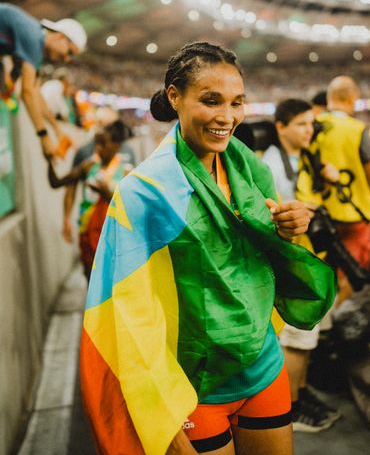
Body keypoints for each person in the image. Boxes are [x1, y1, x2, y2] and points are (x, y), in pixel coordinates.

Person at [80, 42, 336, 455]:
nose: (227, 117)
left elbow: (260, 254)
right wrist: (158, 414)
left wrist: (288, 228)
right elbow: (128, 315)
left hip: (262, 360)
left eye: (237, 103)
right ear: (174, 97)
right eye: (211, 101)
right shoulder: (144, 193)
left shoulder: (248, 167)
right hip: (193, 385)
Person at [263, 99, 340, 432]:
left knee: (308, 335)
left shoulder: (303, 158)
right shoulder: (272, 165)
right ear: (280, 127)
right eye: (301, 124)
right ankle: (291, 408)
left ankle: (301, 392)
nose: (309, 129)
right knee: (296, 339)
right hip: (292, 264)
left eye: (311, 123)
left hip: (309, 260)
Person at [308, 75, 370, 303]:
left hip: (319, 214)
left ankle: (320, 324)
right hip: (355, 215)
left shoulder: (311, 126)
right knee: (352, 272)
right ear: (352, 98)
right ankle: (334, 325)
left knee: (323, 271)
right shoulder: (357, 128)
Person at [48, 120, 132, 280]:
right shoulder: (89, 166)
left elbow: (131, 210)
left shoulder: (126, 172)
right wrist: (49, 160)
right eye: (97, 144)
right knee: (90, 277)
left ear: (116, 145)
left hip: (114, 236)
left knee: (113, 280)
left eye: (103, 144)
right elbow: (56, 182)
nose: (97, 149)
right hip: (87, 233)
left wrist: (105, 192)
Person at [0, 3, 87, 157]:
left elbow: (36, 93)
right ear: (61, 37)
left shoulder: (36, 41)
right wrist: (44, 137)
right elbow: (27, 92)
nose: (66, 59)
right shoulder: (34, 39)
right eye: (69, 52)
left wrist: (57, 129)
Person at [62, 107, 136, 245]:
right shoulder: (84, 152)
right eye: (103, 123)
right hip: (89, 225)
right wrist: (66, 218)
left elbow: (132, 191)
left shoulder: (128, 151)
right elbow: (71, 185)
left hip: (117, 228)